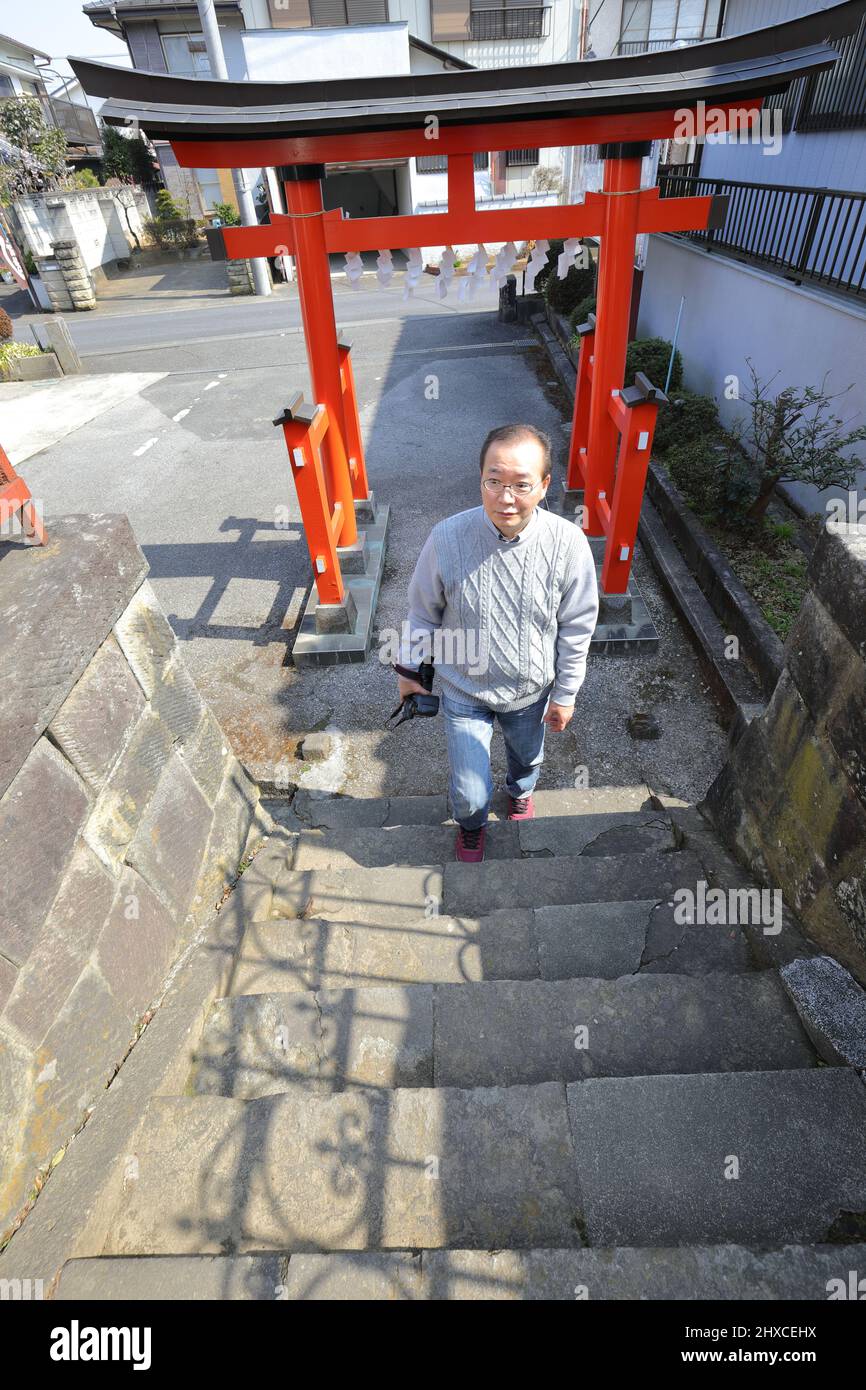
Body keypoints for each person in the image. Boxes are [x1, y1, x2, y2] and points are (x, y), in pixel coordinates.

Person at [395, 423, 599, 862]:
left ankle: (520, 793)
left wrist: (565, 694)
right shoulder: (446, 537)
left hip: (530, 689)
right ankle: (471, 825)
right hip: (463, 687)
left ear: (544, 486)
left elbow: (577, 626)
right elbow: (422, 611)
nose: (506, 498)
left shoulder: (568, 543)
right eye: (495, 482)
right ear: (481, 480)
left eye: (521, 485)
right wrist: (409, 671)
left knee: (526, 762)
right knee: (469, 791)